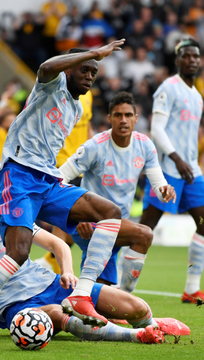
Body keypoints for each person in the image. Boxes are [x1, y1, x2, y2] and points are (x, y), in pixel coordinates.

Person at [0, 40, 128, 342]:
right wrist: (95, 52)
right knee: (18, 253)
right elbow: (45, 67)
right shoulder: (51, 84)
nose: (89, 76)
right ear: (69, 70)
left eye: (93, 73)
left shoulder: (76, 106)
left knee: (109, 213)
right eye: (84, 70)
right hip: (17, 174)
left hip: (48, 180)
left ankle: (82, 294)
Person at [0, 169, 189, 345]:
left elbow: (58, 244)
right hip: (11, 307)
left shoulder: (9, 217)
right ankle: (137, 336)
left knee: (135, 307)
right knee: (54, 313)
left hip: (51, 283)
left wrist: (67, 272)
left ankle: (151, 324)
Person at [59, 92, 175, 292]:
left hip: (117, 223)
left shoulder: (145, 145)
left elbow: (157, 180)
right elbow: (59, 178)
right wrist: (77, 215)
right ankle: (125, 296)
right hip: (90, 223)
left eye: (128, 115)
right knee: (143, 235)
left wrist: (164, 189)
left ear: (136, 119)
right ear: (109, 118)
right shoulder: (95, 146)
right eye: (118, 115)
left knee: (101, 292)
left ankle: (85, 301)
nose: (123, 120)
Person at [140, 38, 204, 305]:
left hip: (191, 169)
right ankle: (118, 287)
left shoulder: (197, 96)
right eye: (187, 56)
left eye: (196, 56)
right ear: (177, 61)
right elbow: (157, 130)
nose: (192, 60)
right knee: (145, 229)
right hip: (169, 168)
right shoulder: (168, 88)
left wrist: (187, 160)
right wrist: (176, 159)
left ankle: (191, 289)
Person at [36, 73, 94, 274]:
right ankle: (57, 268)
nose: (87, 75)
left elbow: (86, 128)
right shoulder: (56, 94)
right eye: (83, 70)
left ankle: (51, 261)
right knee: (64, 217)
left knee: (70, 220)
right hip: (59, 163)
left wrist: (93, 152)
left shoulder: (88, 95)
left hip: (81, 164)